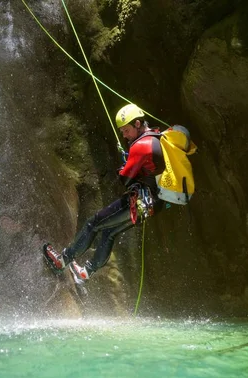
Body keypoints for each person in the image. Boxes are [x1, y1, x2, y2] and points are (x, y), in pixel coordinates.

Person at [45, 103, 166, 284]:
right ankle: (85, 272)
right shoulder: (157, 137)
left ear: (138, 124)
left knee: (93, 224)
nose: (124, 135)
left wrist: (124, 166)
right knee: (109, 232)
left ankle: (61, 261)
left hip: (138, 200)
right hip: (153, 204)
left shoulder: (141, 145)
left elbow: (125, 178)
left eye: (126, 130)